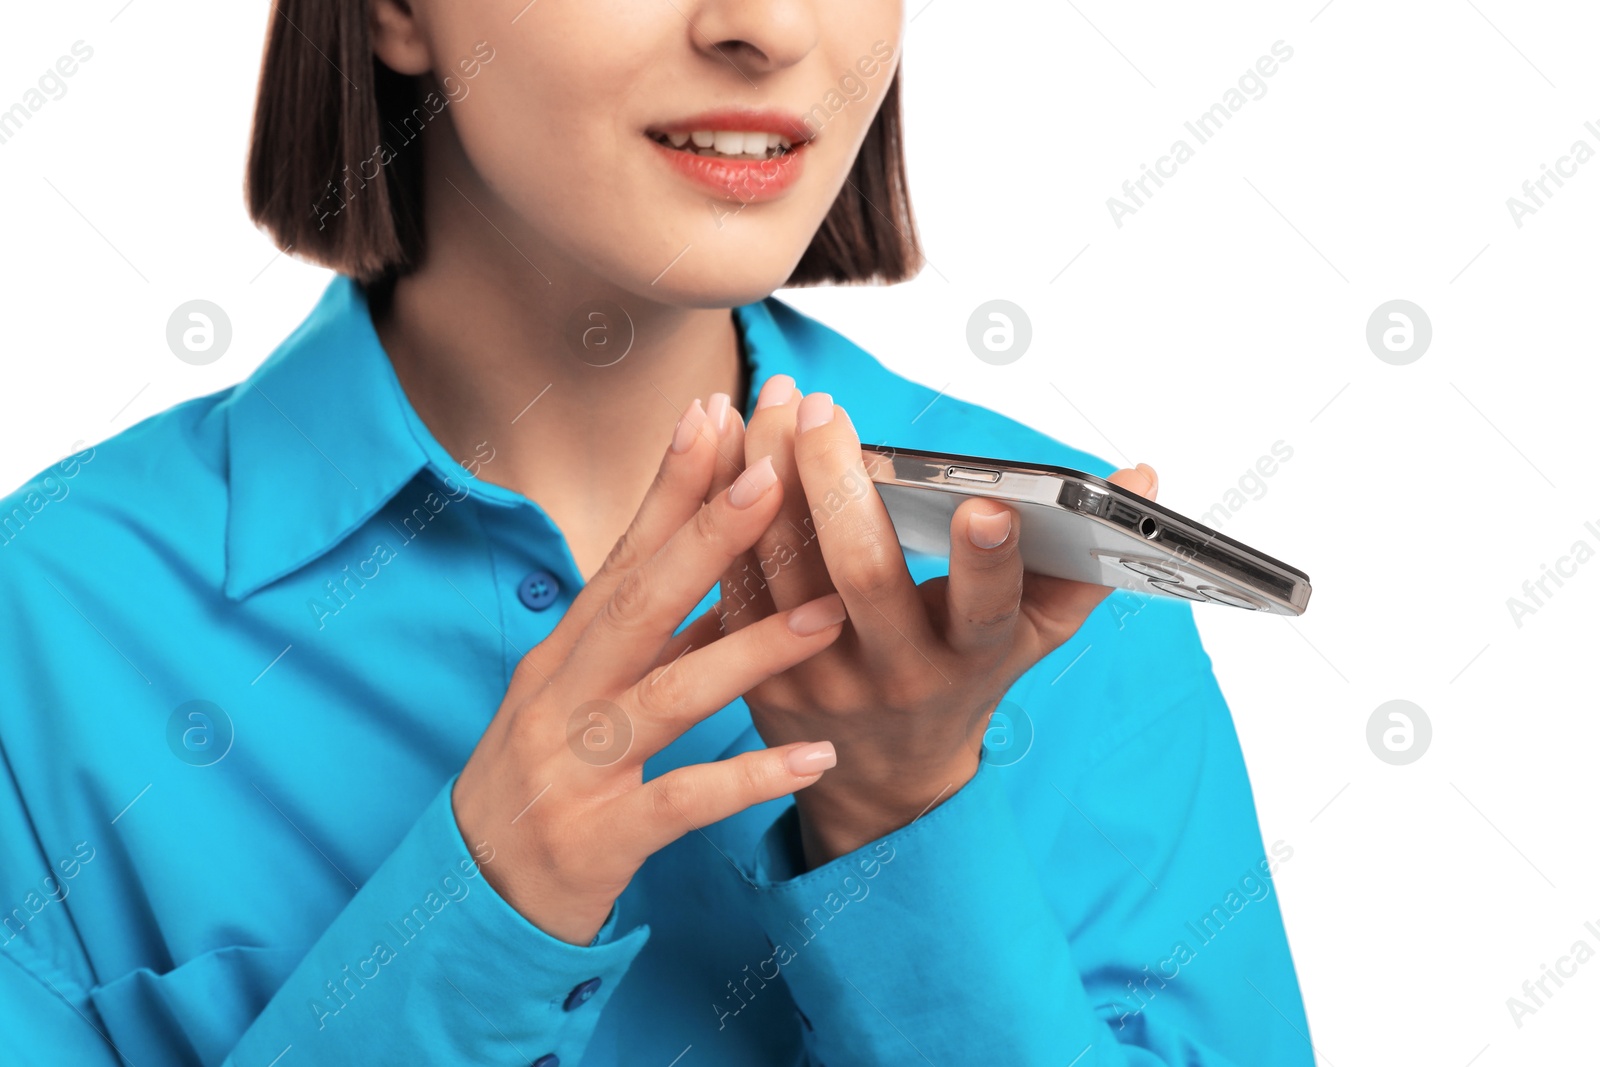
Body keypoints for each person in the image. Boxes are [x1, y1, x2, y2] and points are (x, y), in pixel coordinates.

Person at [0, 1, 1311, 1063]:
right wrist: (480, 913)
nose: (771, 25)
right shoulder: (43, 628)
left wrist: (906, 814)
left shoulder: (1052, 600)